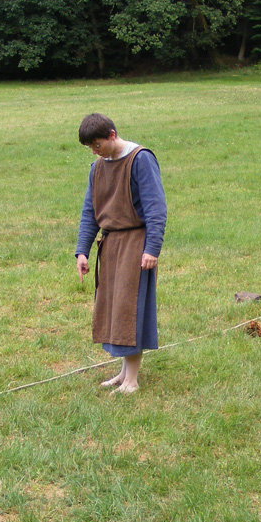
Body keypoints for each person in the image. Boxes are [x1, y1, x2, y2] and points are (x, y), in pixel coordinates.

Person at [75, 114, 167, 394]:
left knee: (130, 310)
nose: (94, 151)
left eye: (97, 144)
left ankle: (132, 380)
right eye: (90, 147)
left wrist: (151, 249)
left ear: (112, 135)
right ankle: (124, 372)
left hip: (135, 245)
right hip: (111, 245)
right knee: (115, 309)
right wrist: (82, 251)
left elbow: (156, 208)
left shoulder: (140, 159)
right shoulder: (97, 167)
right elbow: (90, 211)